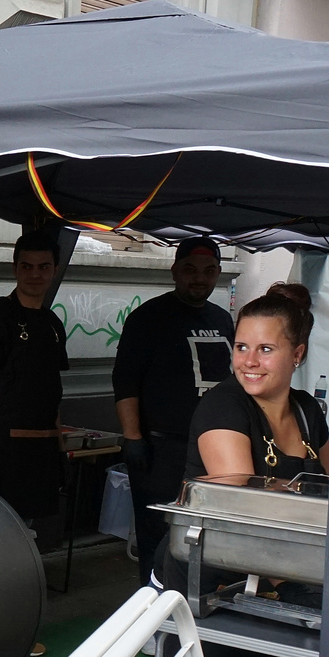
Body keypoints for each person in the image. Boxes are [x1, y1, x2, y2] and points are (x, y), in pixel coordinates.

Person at [152, 284, 329, 657]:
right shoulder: (222, 409)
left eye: (266, 349)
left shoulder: (307, 410)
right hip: (209, 596)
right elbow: (245, 524)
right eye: (241, 346)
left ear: (297, 354)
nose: (249, 361)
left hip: (267, 593)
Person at [111, 238, 234, 584]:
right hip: (161, 451)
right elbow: (125, 382)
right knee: (159, 538)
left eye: (209, 271)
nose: (199, 279)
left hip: (213, 451)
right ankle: (154, 615)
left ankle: (195, 609)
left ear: (218, 275)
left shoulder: (223, 320)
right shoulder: (148, 318)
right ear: (175, 271)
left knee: (205, 536)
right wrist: (133, 438)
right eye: (191, 270)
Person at [0, 232, 69, 522]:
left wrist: (60, 448)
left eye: (43, 267)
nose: (35, 274)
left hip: (44, 448)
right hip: (3, 450)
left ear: (54, 270)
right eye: (27, 266)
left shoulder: (52, 324)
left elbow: (51, 391)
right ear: (15, 269)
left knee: (30, 534)